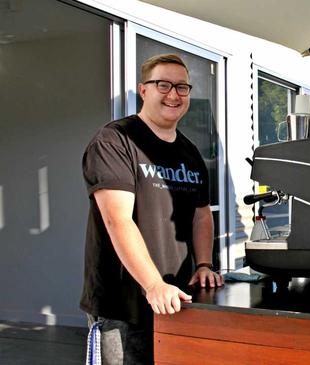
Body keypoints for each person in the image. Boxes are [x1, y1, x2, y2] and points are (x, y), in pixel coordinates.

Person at [80, 54, 223, 364]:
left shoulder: (190, 152)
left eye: (182, 87)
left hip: (177, 300)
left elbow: (201, 213)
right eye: (163, 84)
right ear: (143, 90)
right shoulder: (115, 141)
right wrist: (152, 283)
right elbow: (117, 219)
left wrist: (203, 264)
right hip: (123, 305)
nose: (173, 94)